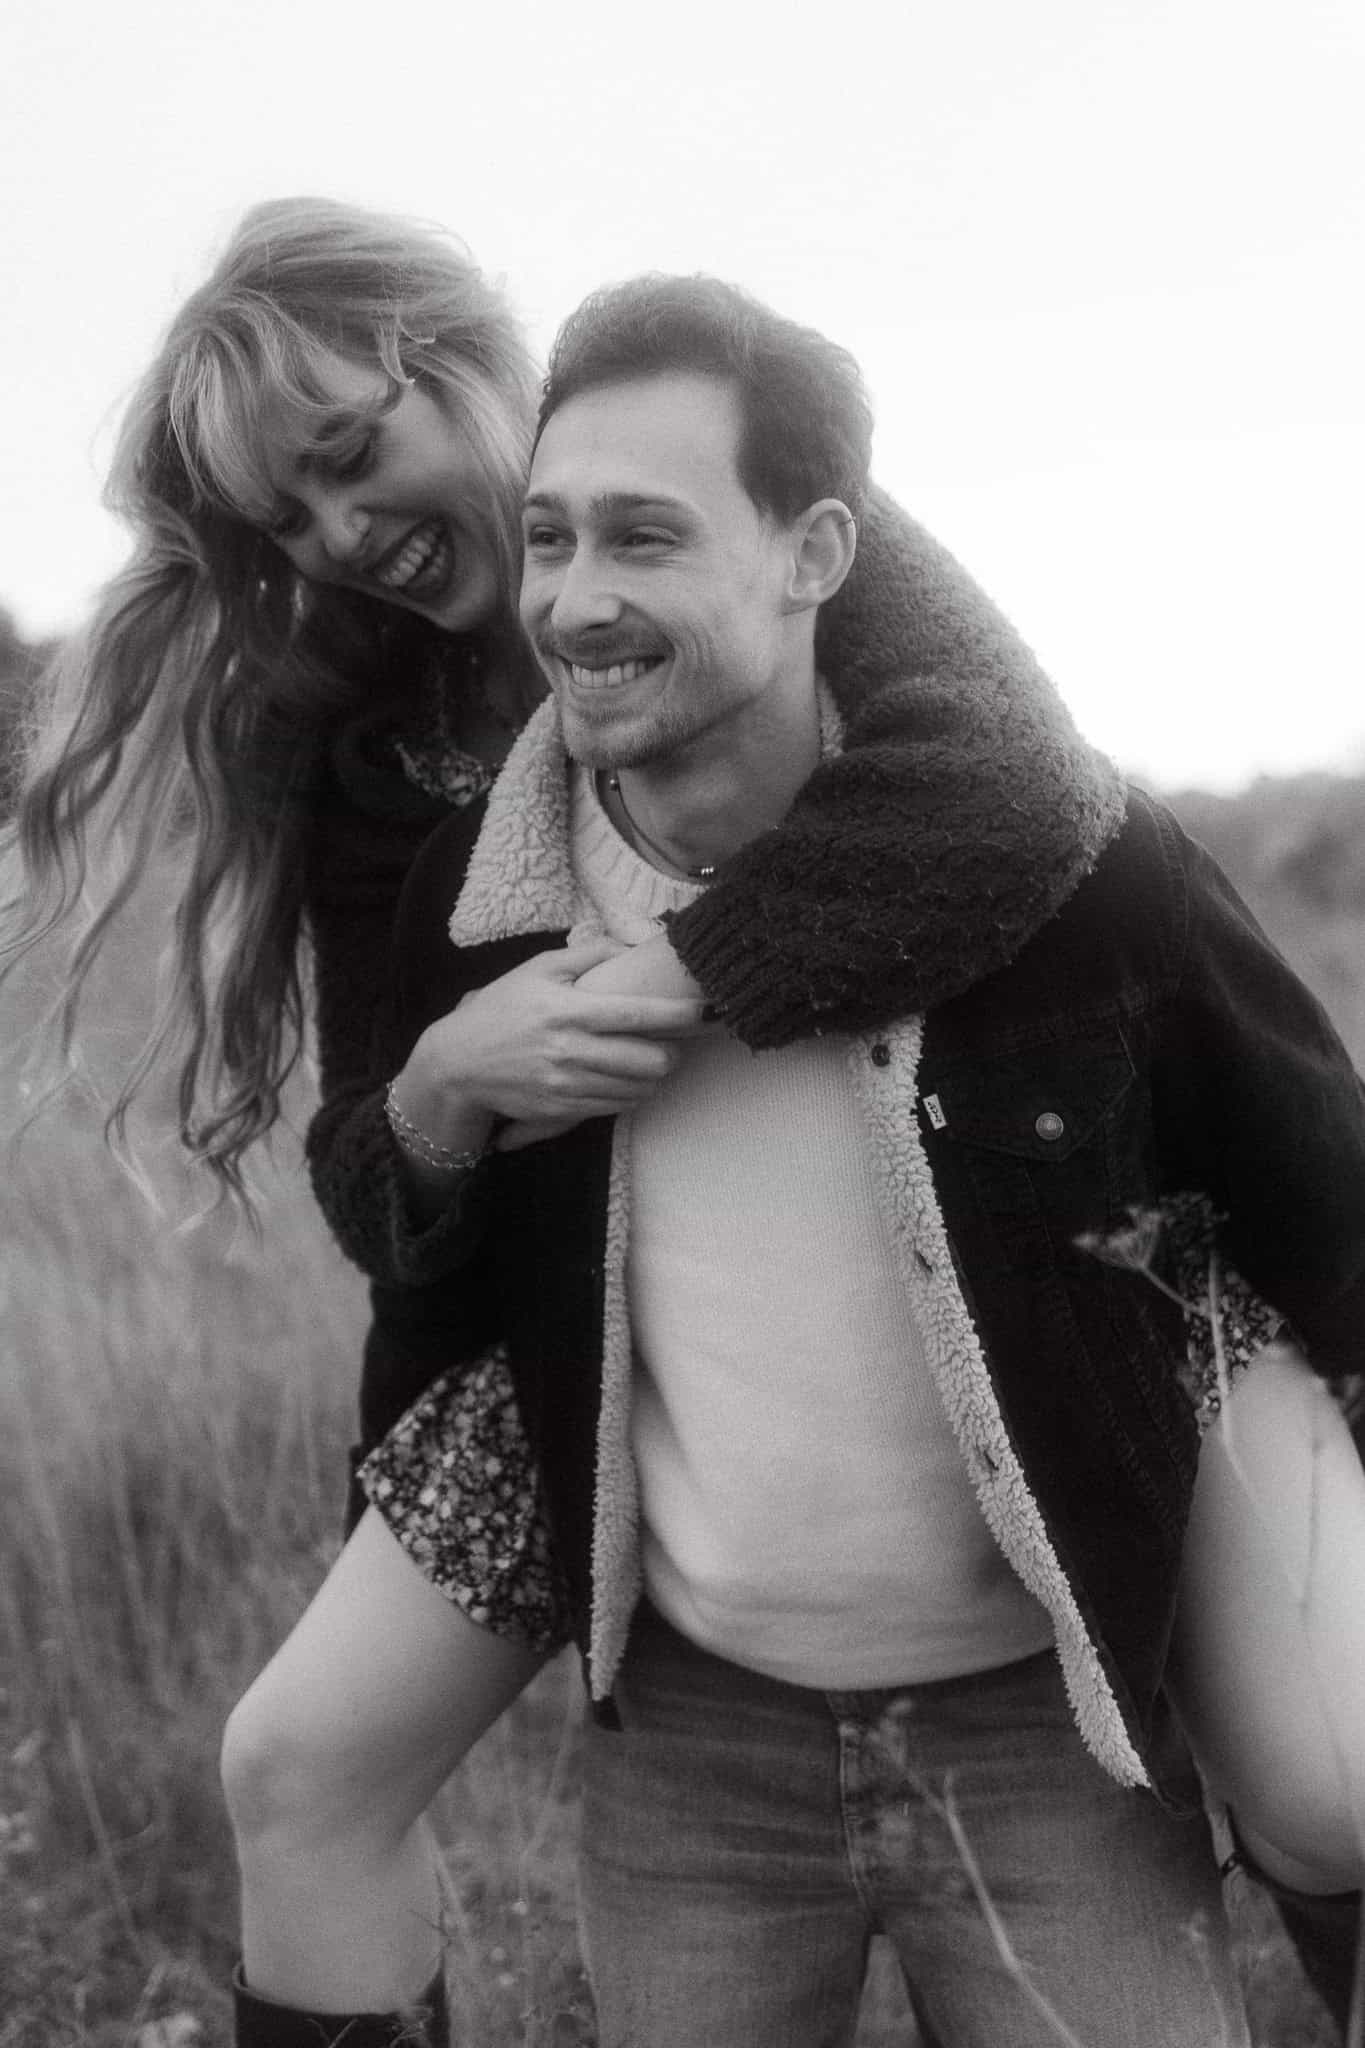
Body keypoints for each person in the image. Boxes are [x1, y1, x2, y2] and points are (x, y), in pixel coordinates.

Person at [0, 200, 1129, 2039]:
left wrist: (667, 976)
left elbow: (1014, 787)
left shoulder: (761, 509)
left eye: (351, 455)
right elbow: (380, 1191)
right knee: (295, 1771)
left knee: (1308, 1756)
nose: (341, 537)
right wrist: (446, 1087)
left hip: (931, 1267)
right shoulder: (371, 750)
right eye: (286, 521)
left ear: (467, 350)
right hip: (534, 1347)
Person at [326, 274, 1365, 2047]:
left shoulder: (1073, 870)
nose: (575, 600)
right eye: (551, 536)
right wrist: (438, 1095)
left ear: (814, 553)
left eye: (645, 537)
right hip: (692, 1747)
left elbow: (1316, 1187)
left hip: (1053, 1729)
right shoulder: (481, 906)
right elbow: (397, 1229)